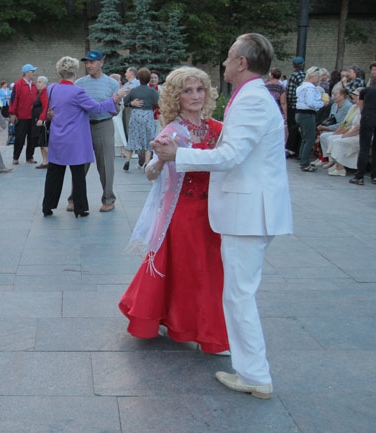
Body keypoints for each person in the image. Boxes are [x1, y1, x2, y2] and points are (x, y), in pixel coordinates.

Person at [155, 33, 293, 399]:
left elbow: (231, 155)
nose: (225, 63)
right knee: (238, 293)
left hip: (248, 212)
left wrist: (178, 156)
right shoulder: (252, 97)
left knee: (239, 295)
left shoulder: (252, 100)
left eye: (230, 57)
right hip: (249, 210)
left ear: (242, 63)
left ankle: (254, 375)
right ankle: (252, 371)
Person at [120, 66, 227, 355]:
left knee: (208, 272)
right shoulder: (172, 132)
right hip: (184, 213)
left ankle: (195, 324)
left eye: (200, 89)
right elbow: (150, 173)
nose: (196, 96)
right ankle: (205, 333)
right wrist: (160, 160)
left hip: (216, 212)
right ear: (176, 97)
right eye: (187, 91)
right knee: (195, 273)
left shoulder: (218, 129)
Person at [41, 56, 126, 218]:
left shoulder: (51, 88)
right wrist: (115, 98)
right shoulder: (77, 91)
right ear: (75, 71)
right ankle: (80, 208)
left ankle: (48, 206)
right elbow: (97, 107)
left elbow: (53, 109)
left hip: (57, 136)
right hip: (75, 138)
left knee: (54, 172)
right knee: (78, 173)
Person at [71, 50, 121, 213]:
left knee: (106, 164)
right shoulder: (79, 83)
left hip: (104, 124)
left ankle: (108, 199)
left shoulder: (112, 84)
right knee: (79, 164)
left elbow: (116, 110)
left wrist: (115, 105)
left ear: (101, 63)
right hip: (83, 126)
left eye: (92, 62)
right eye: (87, 63)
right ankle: (74, 198)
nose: (89, 65)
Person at [122, 67, 159, 171]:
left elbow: (125, 101)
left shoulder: (134, 90)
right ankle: (147, 163)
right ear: (148, 79)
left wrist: (131, 103)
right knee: (149, 138)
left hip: (135, 114)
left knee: (132, 137)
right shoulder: (152, 91)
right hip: (147, 115)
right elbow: (158, 103)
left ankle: (127, 161)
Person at [323, 90, 362, 177]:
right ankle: (335, 162)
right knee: (331, 138)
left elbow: (358, 127)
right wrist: (337, 133)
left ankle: (340, 168)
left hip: (358, 135)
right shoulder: (353, 107)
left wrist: (345, 135)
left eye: (356, 96)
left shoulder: (363, 110)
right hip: (350, 131)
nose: (354, 98)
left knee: (338, 141)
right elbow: (345, 122)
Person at [295, 67, 327, 172]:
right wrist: (322, 103)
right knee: (309, 139)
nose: (319, 79)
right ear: (313, 76)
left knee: (305, 139)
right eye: (318, 77)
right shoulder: (310, 88)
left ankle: (302, 160)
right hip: (307, 114)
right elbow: (311, 103)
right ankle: (305, 163)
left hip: (299, 113)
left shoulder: (301, 87)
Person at [314, 87, 354, 167]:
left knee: (326, 135)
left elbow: (344, 123)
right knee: (321, 134)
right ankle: (325, 158)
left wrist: (327, 128)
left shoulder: (348, 106)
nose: (333, 97)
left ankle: (331, 159)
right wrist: (324, 126)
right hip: (333, 126)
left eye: (335, 95)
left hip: (343, 129)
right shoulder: (334, 105)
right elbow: (330, 119)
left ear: (342, 96)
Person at [9, 64, 39, 165]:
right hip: (22, 116)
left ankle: (29, 157)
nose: (33, 73)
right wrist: (13, 113)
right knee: (20, 138)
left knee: (32, 137)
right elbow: (13, 99)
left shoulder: (34, 85)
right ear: (26, 72)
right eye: (32, 71)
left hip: (32, 116)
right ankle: (16, 157)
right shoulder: (18, 84)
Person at [350, 86, 376, 185]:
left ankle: (360, 176)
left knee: (364, 147)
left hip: (368, 117)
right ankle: (374, 177)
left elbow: (361, 106)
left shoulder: (365, 91)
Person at [285, 56, 306, 157]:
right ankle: (299, 150)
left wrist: (288, 104)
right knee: (300, 128)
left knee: (292, 127)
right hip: (303, 106)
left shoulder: (294, 76)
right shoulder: (306, 75)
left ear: (293, 65)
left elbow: (290, 92)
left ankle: (291, 149)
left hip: (293, 106)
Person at [32, 75, 50, 169]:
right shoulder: (41, 93)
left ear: (45, 84)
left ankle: (55, 159)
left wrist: (41, 119)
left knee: (43, 142)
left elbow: (46, 107)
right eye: (37, 81)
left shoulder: (45, 93)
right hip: (39, 121)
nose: (37, 83)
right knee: (41, 143)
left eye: (40, 82)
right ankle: (45, 162)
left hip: (43, 122)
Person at [110, 73, 127, 157]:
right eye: (119, 80)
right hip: (116, 111)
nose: (120, 81)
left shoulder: (119, 89)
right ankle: (121, 149)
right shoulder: (114, 89)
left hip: (119, 111)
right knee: (117, 130)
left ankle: (123, 149)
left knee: (119, 129)